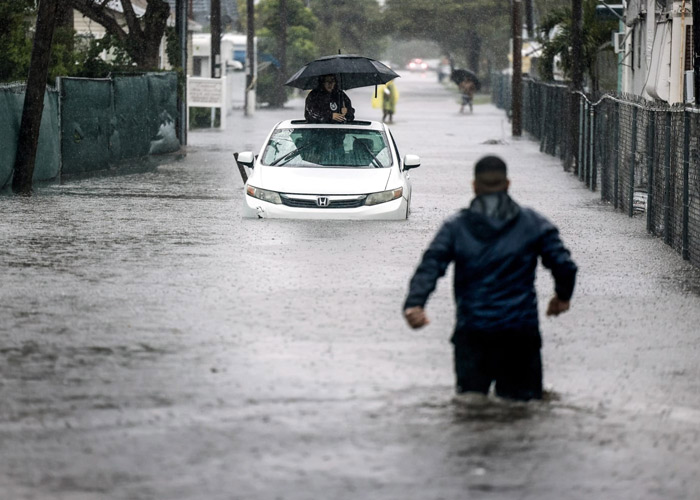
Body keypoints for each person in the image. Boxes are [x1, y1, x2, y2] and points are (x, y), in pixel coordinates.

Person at [403, 155, 577, 401]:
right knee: (524, 411)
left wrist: (415, 303)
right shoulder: (533, 224)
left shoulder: (455, 227)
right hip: (520, 334)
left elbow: (431, 264)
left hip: (473, 332)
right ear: (508, 184)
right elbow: (564, 265)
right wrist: (562, 297)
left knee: (471, 410)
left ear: (474, 186)